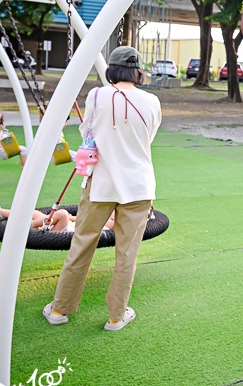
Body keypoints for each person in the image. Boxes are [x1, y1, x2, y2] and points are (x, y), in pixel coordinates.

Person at [44, 46, 161, 332]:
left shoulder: (96, 95)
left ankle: (59, 309)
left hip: (101, 184)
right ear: (138, 71)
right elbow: (148, 138)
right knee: (127, 253)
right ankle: (116, 316)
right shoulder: (152, 101)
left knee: (82, 244)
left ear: (111, 70)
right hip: (138, 185)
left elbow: (87, 133)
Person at [0, 197, 115, 233]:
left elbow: (106, 223)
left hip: (66, 232)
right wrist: (70, 218)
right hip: (68, 226)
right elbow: (81, 219)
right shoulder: (103, 215)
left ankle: (32, 225)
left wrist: (67, 217)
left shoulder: (108, 226)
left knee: (62, 214)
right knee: (34, 212)